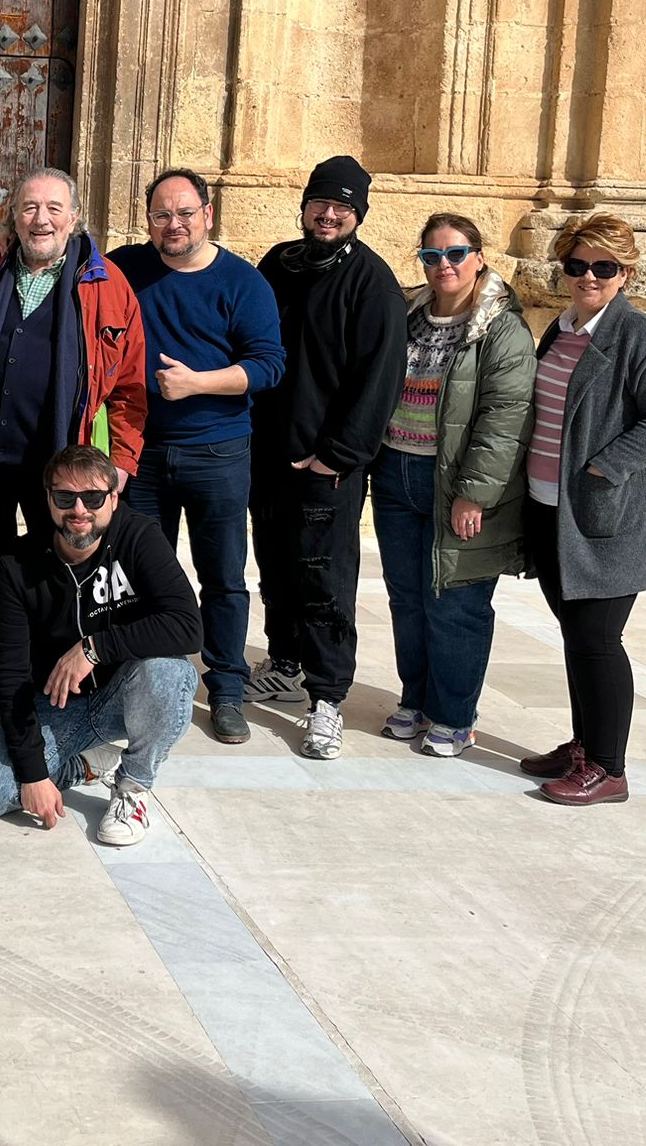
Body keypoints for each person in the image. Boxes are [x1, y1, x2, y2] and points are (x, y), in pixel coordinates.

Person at [518, 214, 646, 805]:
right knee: (576, 637)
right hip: (551, 511)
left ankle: (609, 769)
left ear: (626, 272)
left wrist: (605, 466)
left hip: (606, 517)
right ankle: (585, 744)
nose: (588, 276)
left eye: (604, 267)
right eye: (577, 265)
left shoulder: (642, 337)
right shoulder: (561, 330)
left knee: (597, 640)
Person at [110, 168, 285, 745]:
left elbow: (268, 364)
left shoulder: (243, 281)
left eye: (185, 212)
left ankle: (227, 689)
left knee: (224, 576)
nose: (174, 224)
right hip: (143, 453)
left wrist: (200, 383)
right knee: (137, 574)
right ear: (148, 219)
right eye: (161, 214)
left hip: (218, 450)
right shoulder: (127, 268)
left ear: (207, 214)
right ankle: (141, 678)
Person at [247, 156, 407, 761]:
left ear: (358, 215)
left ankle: (327, 698)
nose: (330, 213)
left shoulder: (372, 283)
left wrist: (337, 455)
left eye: (343, 206)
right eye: (321, 202)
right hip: (270, 454)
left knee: (323, 577)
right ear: (306, 204)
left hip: (327, 464)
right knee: (277, 566)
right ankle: (285, 663)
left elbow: (380, 379)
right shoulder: (279, 263)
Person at [0, 445, 202, 845]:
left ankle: (132, 788)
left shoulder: (139, 537)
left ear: (113, 499)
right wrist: (34, 773)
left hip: (125, 696)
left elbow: (188, 627)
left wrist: (94, 647)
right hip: (56, 703)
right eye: (65, 498)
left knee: (167, 669)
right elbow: (9, 675)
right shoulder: (17, 565)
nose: (79, 510)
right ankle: (88, 765)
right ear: (48, 500)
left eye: (92, 498)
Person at [368, 213, 535, 759]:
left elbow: (505, 416)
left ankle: (456, 715)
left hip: (455, 483)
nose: (444, 266)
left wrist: (475, 493)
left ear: (479, 258)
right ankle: (416, 698)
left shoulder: (501, 328)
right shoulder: (410, 313)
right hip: (397, 472)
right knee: (408, 598)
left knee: (455, 604)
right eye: (432, 256)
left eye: (456, 254)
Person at [0, 167, 146, 547]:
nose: (41, 219)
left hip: (62, 460)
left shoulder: (107, 286)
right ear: (14, 218)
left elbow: (129, 387)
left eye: (54, 208)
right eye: (29, 208)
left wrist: (121, 462)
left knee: (54, 571)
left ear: (74, 218)